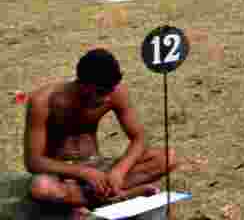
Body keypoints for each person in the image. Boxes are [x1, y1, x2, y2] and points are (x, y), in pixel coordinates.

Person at [24, 49, 177, 216]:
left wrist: (119, 171)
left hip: (99, 167)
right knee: (41, 187)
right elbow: (33, 161)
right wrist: (83, 172)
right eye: (100, 92)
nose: (106, 99)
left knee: (167, 158)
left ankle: (89, 198)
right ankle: (118, 195)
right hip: (61, 173)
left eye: (109, 91)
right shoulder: (42, 102)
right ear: (82, 84)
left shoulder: (115, 93)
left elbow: (139, 138)